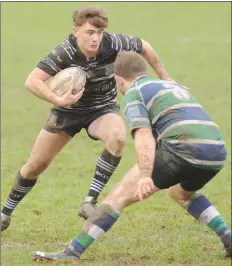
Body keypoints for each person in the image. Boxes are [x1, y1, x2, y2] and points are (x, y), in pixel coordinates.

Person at [32, 51, 231, 263]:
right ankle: (228, 238)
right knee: (181, 193)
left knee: (118, 196)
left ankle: (71, 252)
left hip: (182, 148)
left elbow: (143, 134)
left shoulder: (134, 93)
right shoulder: (169, 85)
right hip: (217, 150)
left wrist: (146, 174)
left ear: (118, 79)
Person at [1, 6, 173, 231]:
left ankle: (89, 201)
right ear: (76, 31)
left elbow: (145, 47)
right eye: (90, 32)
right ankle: (5, 213)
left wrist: (166, 79)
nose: (95, 38)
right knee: (36, 165)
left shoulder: (113, 43)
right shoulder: (64, 52)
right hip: (67, 112)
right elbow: (32, 81)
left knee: (118, 136)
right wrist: (58, 99)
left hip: (102, 109)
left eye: (99, 33)